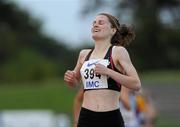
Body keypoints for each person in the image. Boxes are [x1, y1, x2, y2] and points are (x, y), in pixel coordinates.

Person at [64, 12, 141, 127]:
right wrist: (71, 79)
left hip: (110, 117)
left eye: (101, 23)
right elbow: (75, 83)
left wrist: (109, 72)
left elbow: (136, 84)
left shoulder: (118, 52)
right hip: (86, 117)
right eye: (94, 23)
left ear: (113, 30)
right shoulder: (84, 54)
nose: (95, 25)